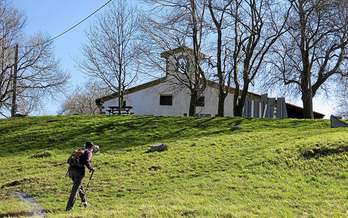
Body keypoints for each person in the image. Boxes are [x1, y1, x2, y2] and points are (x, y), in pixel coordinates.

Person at [66, 141, 96, 211]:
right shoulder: (88, 152)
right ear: (91, 147)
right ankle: (69, 208)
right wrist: (92, 168)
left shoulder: (79, 151)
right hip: (79, 171)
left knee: (79, 186)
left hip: (71, 170)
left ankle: (85, 202)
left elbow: (68, 161)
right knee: (75, 190)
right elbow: (87, 161)